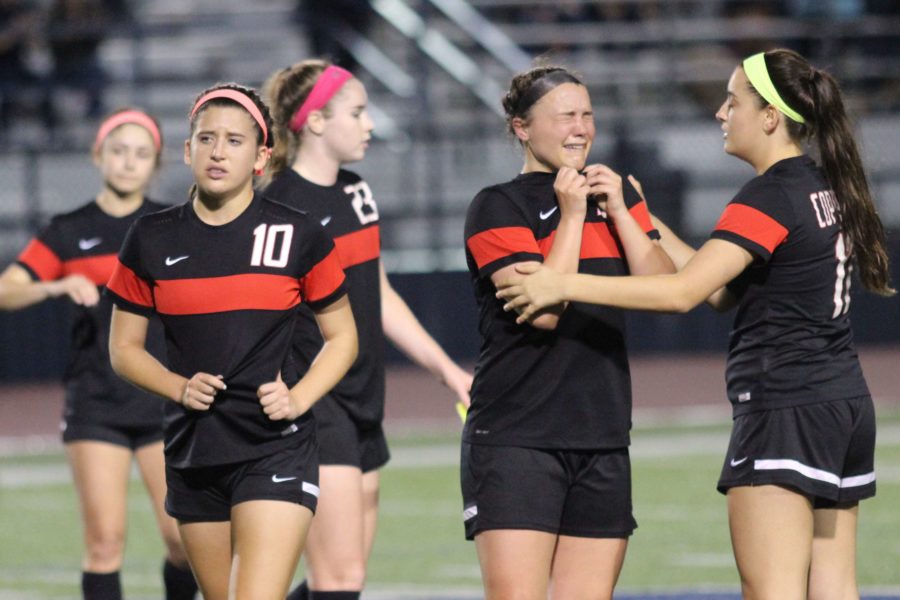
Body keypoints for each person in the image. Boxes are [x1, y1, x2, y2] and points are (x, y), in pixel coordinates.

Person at [497, 49, 894, 600]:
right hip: (843, 403)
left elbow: (684, 294)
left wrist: (561, 284)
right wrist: (642, 219)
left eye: (733, 102)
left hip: (785, 407)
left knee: (774, 591)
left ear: (771, 118)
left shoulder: (769, 195)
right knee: (833, 589)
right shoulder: (818, 184)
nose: (721, 114)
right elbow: (720, 288)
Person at [106, 83, 358, 600]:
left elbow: (343, 337)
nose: (218, 152)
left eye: (235, 141)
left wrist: (299, 397)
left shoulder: (298, 233)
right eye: (207, 138)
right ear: (187, 149)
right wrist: (177, 387)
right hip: (192, 453)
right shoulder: (150, 237)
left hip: (276, 447)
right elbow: (124, 349)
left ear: (262, 156)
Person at [260, 60, 473, 600]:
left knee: (343, 578)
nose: (369, 124)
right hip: (313, 402)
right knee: (342, 579)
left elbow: (377, 295)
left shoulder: (358, 194)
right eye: (356, 113)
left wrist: (447, 370)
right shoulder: (278, 206)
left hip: (363, 397)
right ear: (314, 122)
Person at [462, 65, 675, 600]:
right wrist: (573, 215)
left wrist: (622, 211)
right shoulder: (496, 206)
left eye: (587, 115)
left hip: (602, 438)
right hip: (516, 438)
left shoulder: (617, 193)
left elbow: (665, 291)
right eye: (565, 117)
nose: (580, 128)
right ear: (522, 128)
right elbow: (544, 309)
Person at [0, 109, 198, 599]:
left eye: (141, 153)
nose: (128, 162)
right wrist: (56, 285)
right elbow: (7, 290)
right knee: (105, 542)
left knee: (182, 540)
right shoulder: (69, 230)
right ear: (98, 155)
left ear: (156, 163)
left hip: (162, 401)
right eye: (118, 150)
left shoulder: (169, 227)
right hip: (96, 406)